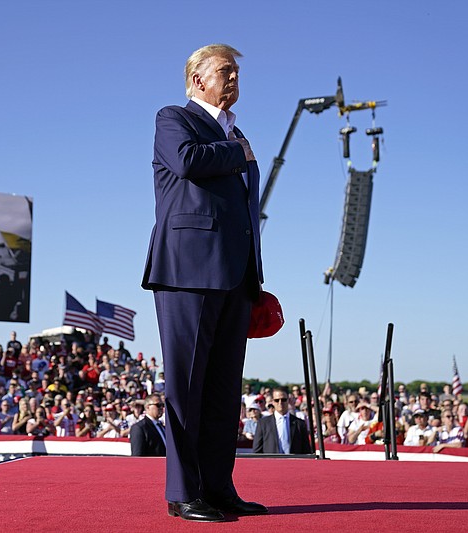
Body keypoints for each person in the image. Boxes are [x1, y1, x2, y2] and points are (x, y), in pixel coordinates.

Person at [141, 43, 265, 521]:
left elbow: (247, 214)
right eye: (225, 72)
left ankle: (218, 489)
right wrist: (237, 151)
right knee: (186, 388)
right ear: (197, 80)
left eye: (237, 73)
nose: (234, 80)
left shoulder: (237, 134)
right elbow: (189, 162)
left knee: (221, 392)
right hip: (187, 271)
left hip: (235, 275)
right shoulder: (174, 118)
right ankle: (182, 493)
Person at [252, 387, 312, 454]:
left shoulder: (300, 424)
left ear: (288, 400)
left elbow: (306, 451)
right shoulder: (263, 424)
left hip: (294, 463)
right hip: (270, 463)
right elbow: (257, 452)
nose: (280, 403)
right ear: (272, 401)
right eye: (277, 400)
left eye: (283, 400)